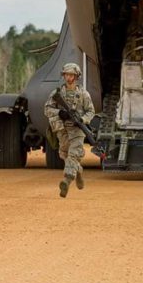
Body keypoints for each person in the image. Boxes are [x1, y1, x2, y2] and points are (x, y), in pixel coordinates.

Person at [44, 62, 95, 198]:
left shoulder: (83, 94)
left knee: (74, 154)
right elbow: (47, 109)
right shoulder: (57, 93)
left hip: (77, 130)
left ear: (76, 76)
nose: (68, 77)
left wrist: (82, 120)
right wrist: (60, 113)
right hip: (62, 128)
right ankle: (78, 171)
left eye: (71, 75)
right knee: (65, 154)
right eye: (66, 74)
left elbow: (91, 112)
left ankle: (67, 180)